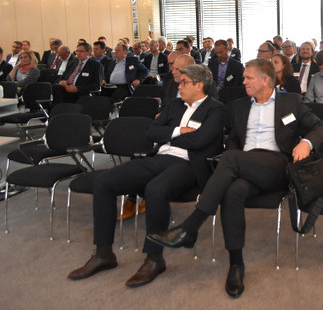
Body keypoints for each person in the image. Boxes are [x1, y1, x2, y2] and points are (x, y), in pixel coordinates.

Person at [147, 58, 323, 298]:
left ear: (265, 80)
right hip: (244, 165)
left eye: (248, 78)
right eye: (243, 77)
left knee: (230, 159)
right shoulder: (238, 106)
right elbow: (233, 139)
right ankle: (236, 264)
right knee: (233, 192)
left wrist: (306, 143)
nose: (243, 82)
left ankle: (190, 227)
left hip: (276, 165)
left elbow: (320, 127)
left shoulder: (291, 101)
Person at [68, 64, 226, 287]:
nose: (179, 86)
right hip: (159, 157)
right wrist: (178, 131)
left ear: (199, 85)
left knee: (155, 189)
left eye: (184, 82)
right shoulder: (174, 105)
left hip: (189, 164)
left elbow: (200, 141)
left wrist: (167, 135)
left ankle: (154, 259)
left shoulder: (216, 109)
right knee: (104, 182)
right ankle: (104, 254)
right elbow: (151, 131)